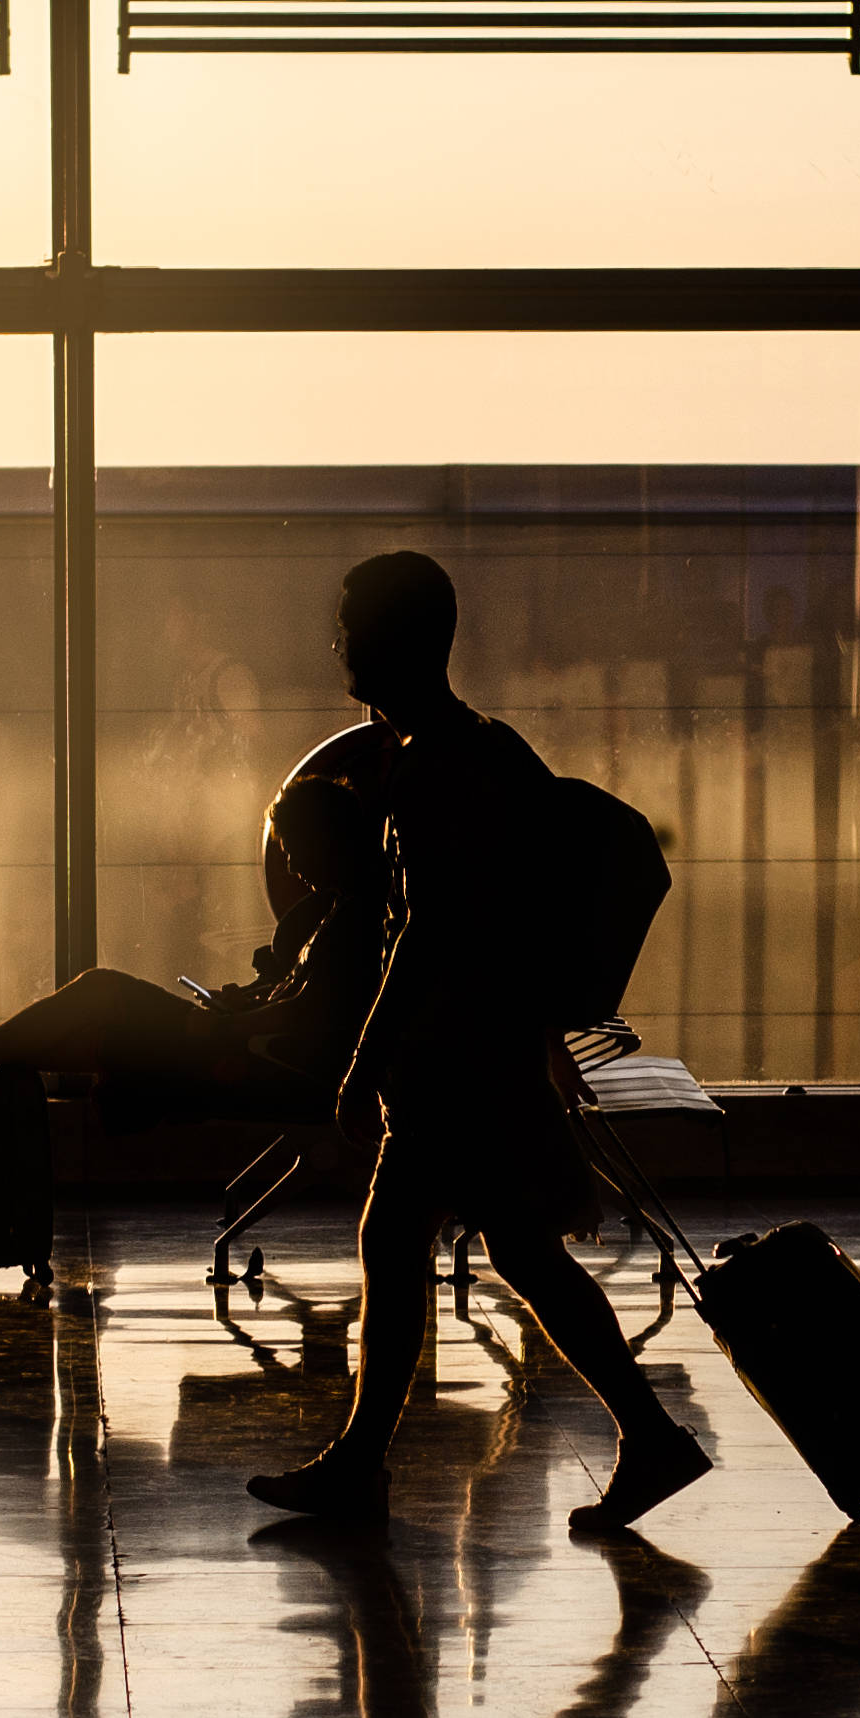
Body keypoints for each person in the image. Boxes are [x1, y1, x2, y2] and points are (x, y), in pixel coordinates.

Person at [249, 550, 710, 1535]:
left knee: (417, 1239)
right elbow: (516, 911)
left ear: (394, 638)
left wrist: (363, 1059)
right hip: (485, 1049)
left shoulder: (432, 766)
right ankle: (643, 1434)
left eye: (350, 623)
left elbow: (434, 926)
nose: (337, 642)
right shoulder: (479, 749)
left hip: (456, 1058)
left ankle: (364, 1467)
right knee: (513, 1250)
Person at [0, 723, 397, 1128]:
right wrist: (247, 1001)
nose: (293, 867)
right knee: (103, 1023)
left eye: (298, 850)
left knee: (102, 993)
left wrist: (225, 1027)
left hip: (273, 1068)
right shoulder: (354, 907)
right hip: (266, 1052)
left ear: (329, 838)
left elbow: (317, 1013)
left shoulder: (361, 915)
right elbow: (314, 1002)